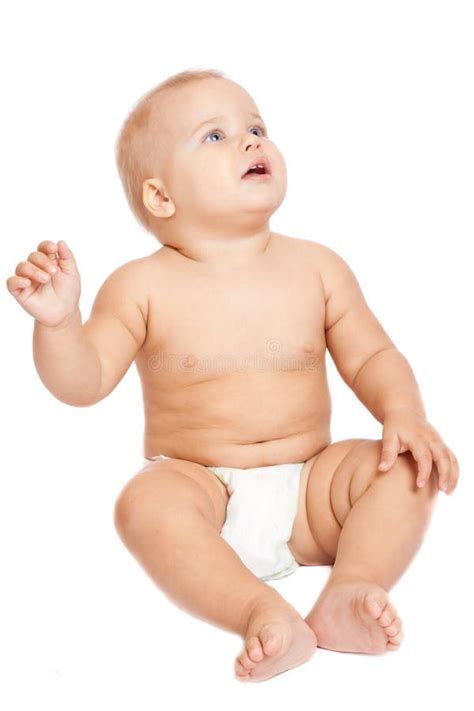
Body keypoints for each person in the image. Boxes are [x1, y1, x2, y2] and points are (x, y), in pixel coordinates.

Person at [6, 68, 459, 683]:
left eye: (255, 127)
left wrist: (404, 414)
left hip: (314, 492)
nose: (250, 141)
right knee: (144, 504)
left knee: (405, 464)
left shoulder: (317, 267)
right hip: (203, 491)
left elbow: (372, 357)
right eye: (214, 137)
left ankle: (349, 591)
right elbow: (83, 384)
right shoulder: (141, 285)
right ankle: (258, 610)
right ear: (161, 197)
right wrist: (59, 325)